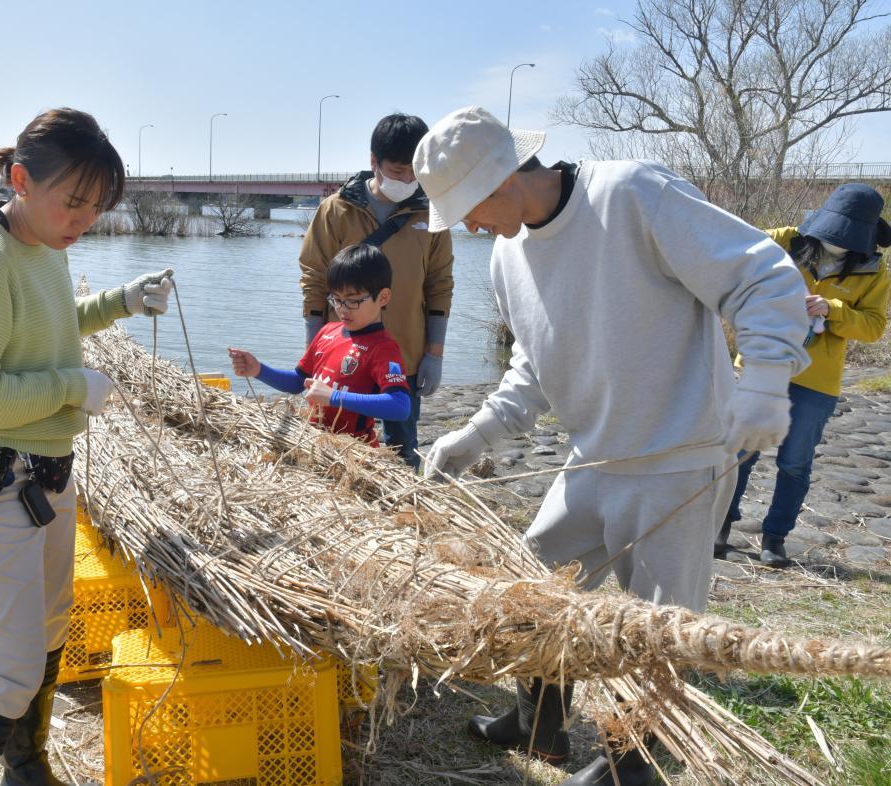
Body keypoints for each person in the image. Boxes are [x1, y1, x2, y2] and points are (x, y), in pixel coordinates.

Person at [413, 106, 810, 785]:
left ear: (505, 176)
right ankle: (539, 723)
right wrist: (475, 433)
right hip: (593, 461)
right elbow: (534, 368)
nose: (469, 227)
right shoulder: (508, 255)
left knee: (657, 632)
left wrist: (767, 382)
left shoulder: (631, 195)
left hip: (678, 460)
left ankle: (638, 765)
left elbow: (763, 275)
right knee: (528, 585)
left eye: (468, 208)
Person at [0, 108, 175, 786]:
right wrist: (71, 386)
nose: (85, 218)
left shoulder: (42, 245)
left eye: (97, 206)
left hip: (43, 475)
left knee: (52, 631)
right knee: (5, 672)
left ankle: (28, 767)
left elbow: (53, 327)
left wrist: (122, 299)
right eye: (75, 201)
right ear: (21, 178)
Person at [718, 184, 891, 567]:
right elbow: (732, 258)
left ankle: (775, 538)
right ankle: (720, 526)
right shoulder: (785, 241)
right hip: (760, 365)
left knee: (795, 462)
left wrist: (832, 309)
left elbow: (874, 327)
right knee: (740, 452)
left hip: (817, 382)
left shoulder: (874, 271)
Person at [299, 113, 454, 467]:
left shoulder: (431, 216)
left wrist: (435, 354)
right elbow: (313, 281)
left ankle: (402, 514)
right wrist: (313, 349)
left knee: (402, 451)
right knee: (336, 447)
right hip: (344, 356)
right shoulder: (336, 211)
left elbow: (440, 285)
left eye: (416, 172)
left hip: (405, 356)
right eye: (399, 171)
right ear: (374, 162)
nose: (409, 180)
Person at [231, 243, 411, 445]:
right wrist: (258, 370)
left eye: (352, 301)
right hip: (313, 443)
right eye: (336, 299)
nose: (342, 309)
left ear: (383, 297)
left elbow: (400, 406)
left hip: (353, 451)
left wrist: (333, 396)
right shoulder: (327, 331)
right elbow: (298, 381)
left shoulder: (383, 348)